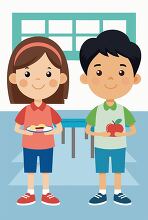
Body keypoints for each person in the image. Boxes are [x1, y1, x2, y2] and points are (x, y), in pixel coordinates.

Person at [79, 30, 141, 206]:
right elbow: (88, 129)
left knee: (118, 170)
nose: (111, 79)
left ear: (134, 78)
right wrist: (100, 134)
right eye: (99, 73)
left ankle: (118, 192)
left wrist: (122, 134)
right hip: (101, 145)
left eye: (121, 73)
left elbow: (133, 129)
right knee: (102, 171)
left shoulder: (123, 110)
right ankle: (101, 192)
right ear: (86, 78)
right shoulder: (97, 110)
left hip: (119, 145)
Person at [8, 36, 69, 206]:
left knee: (45, 170)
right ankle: (29, 193)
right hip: (28, 145)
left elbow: (59, 128)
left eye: (48, 73)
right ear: (14, 79)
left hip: (47, 145)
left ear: (61, 78)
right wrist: (27, 131)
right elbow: (16, 128)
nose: (37, 80)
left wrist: (49, 131)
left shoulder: (50, 110)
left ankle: (46, 193)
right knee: (29, 170)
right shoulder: (26, 110)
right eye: (27, 73)